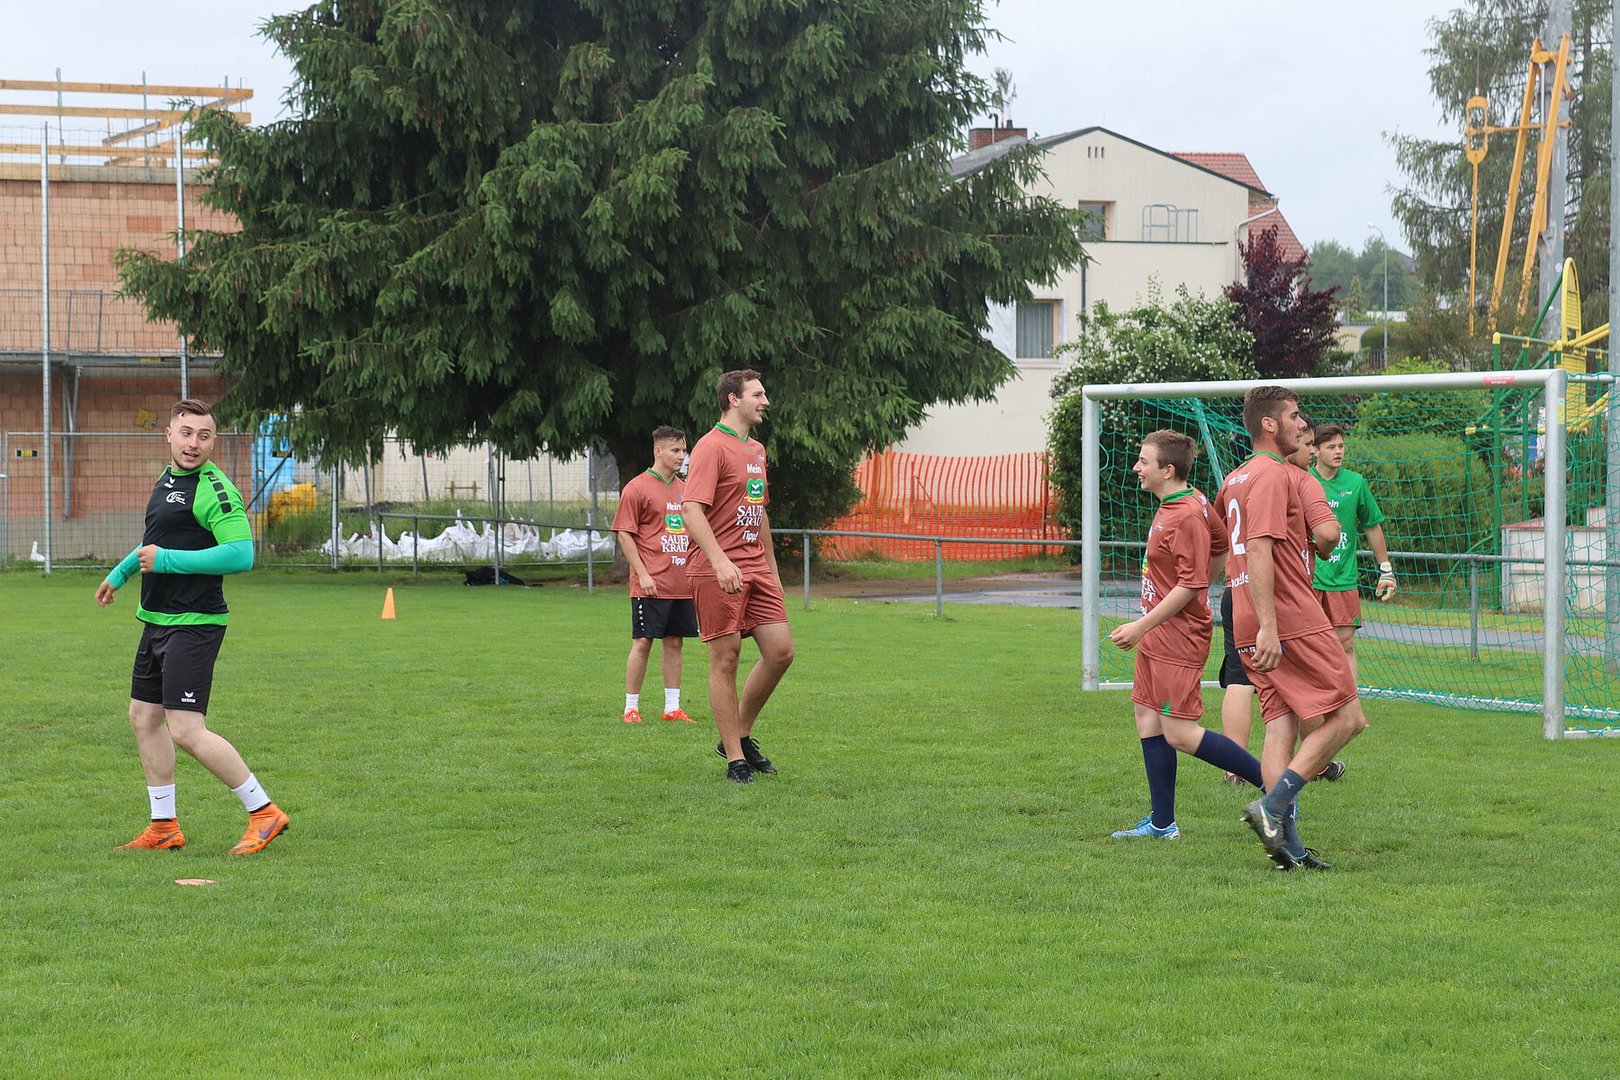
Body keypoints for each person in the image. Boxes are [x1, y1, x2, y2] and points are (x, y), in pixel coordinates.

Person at [94, 399, 289, 856]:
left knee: (185, 729)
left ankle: (263, 812)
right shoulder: (167, 479)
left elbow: (241, 553)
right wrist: (120, 574)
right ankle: (164, 826)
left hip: (195, 622)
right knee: (144, 718)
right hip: (157, 618)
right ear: (169, 435)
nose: (193, 443)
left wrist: (167, 561)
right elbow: (154, 543)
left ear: (213, 442)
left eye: (203, 435)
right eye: (186, 433)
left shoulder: (215, 489)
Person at [1214, 387, 1367, 870]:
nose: (1303, 426)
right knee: (1348, 717)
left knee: (1280, 724)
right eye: (1295, 416)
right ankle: (1273, 805)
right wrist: (1270, 627)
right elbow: (1261, 547)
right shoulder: (1277, 473)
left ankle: (1288, 847)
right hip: (1287, 615)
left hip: (1243, 611)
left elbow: (1222, 549)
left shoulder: (1234, 477)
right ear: (1269, 424)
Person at [1107, 431, 1264, 840]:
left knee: (1179, 732)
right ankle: (1162, 823)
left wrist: (1141, 626)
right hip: (1159, 632)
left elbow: (1191, 584)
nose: (1137, 468)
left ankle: (1277, 789)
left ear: (1168, 470)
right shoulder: (1188, 499)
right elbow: (1220, 544)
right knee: (1147, 717)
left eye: (1144, 461)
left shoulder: (1187, 514)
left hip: (1176, 637)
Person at [682, 370, 794, 784]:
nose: (766, 401)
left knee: (781, 652)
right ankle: (735, 760)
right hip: (717, 568)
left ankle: (740, 734)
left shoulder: (757, 450)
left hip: (755, 566)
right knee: (726, 658)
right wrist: (720, 561)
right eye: (758, 394)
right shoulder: (710, 446)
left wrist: (772, 571)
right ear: (734, 399)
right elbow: (690, 509)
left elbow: (758, 511)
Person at [1218, 420, 1345, 785]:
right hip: (1279, 601)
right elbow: (1327, 532)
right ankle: (1308, 770)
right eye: (1307, 442)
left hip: (1236, 593)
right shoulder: (1295, 478)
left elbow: (1218, 535)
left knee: (1249, 689)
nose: (1311, 450)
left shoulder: (1236, 476)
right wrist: (1319, 548)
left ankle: (1238, 770)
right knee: (1342, 711)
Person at [611, 425, 700, 724]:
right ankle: (631, 708)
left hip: (682, 584)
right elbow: (624, 534)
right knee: (643, 641)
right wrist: (643, 574)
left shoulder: (687, 490)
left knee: (675, 642)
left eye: (683, 450)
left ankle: (672, 708)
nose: (681, 456)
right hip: (650, 585)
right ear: (657, 451)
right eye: (675, 450)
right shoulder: (637, 488)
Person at [1310, 423, 1397, 684]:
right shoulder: (1302, 480)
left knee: (1345, 644)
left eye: (1341, 446)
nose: (1338, 452)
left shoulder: (1356, 482)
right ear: (1315, 450)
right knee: (1308, 647)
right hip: (1307, 578)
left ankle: (1349, 703)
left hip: (1343, 578)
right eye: (1331, 447)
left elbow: (1372, 525)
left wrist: (1386, 569)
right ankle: (1314, 702)